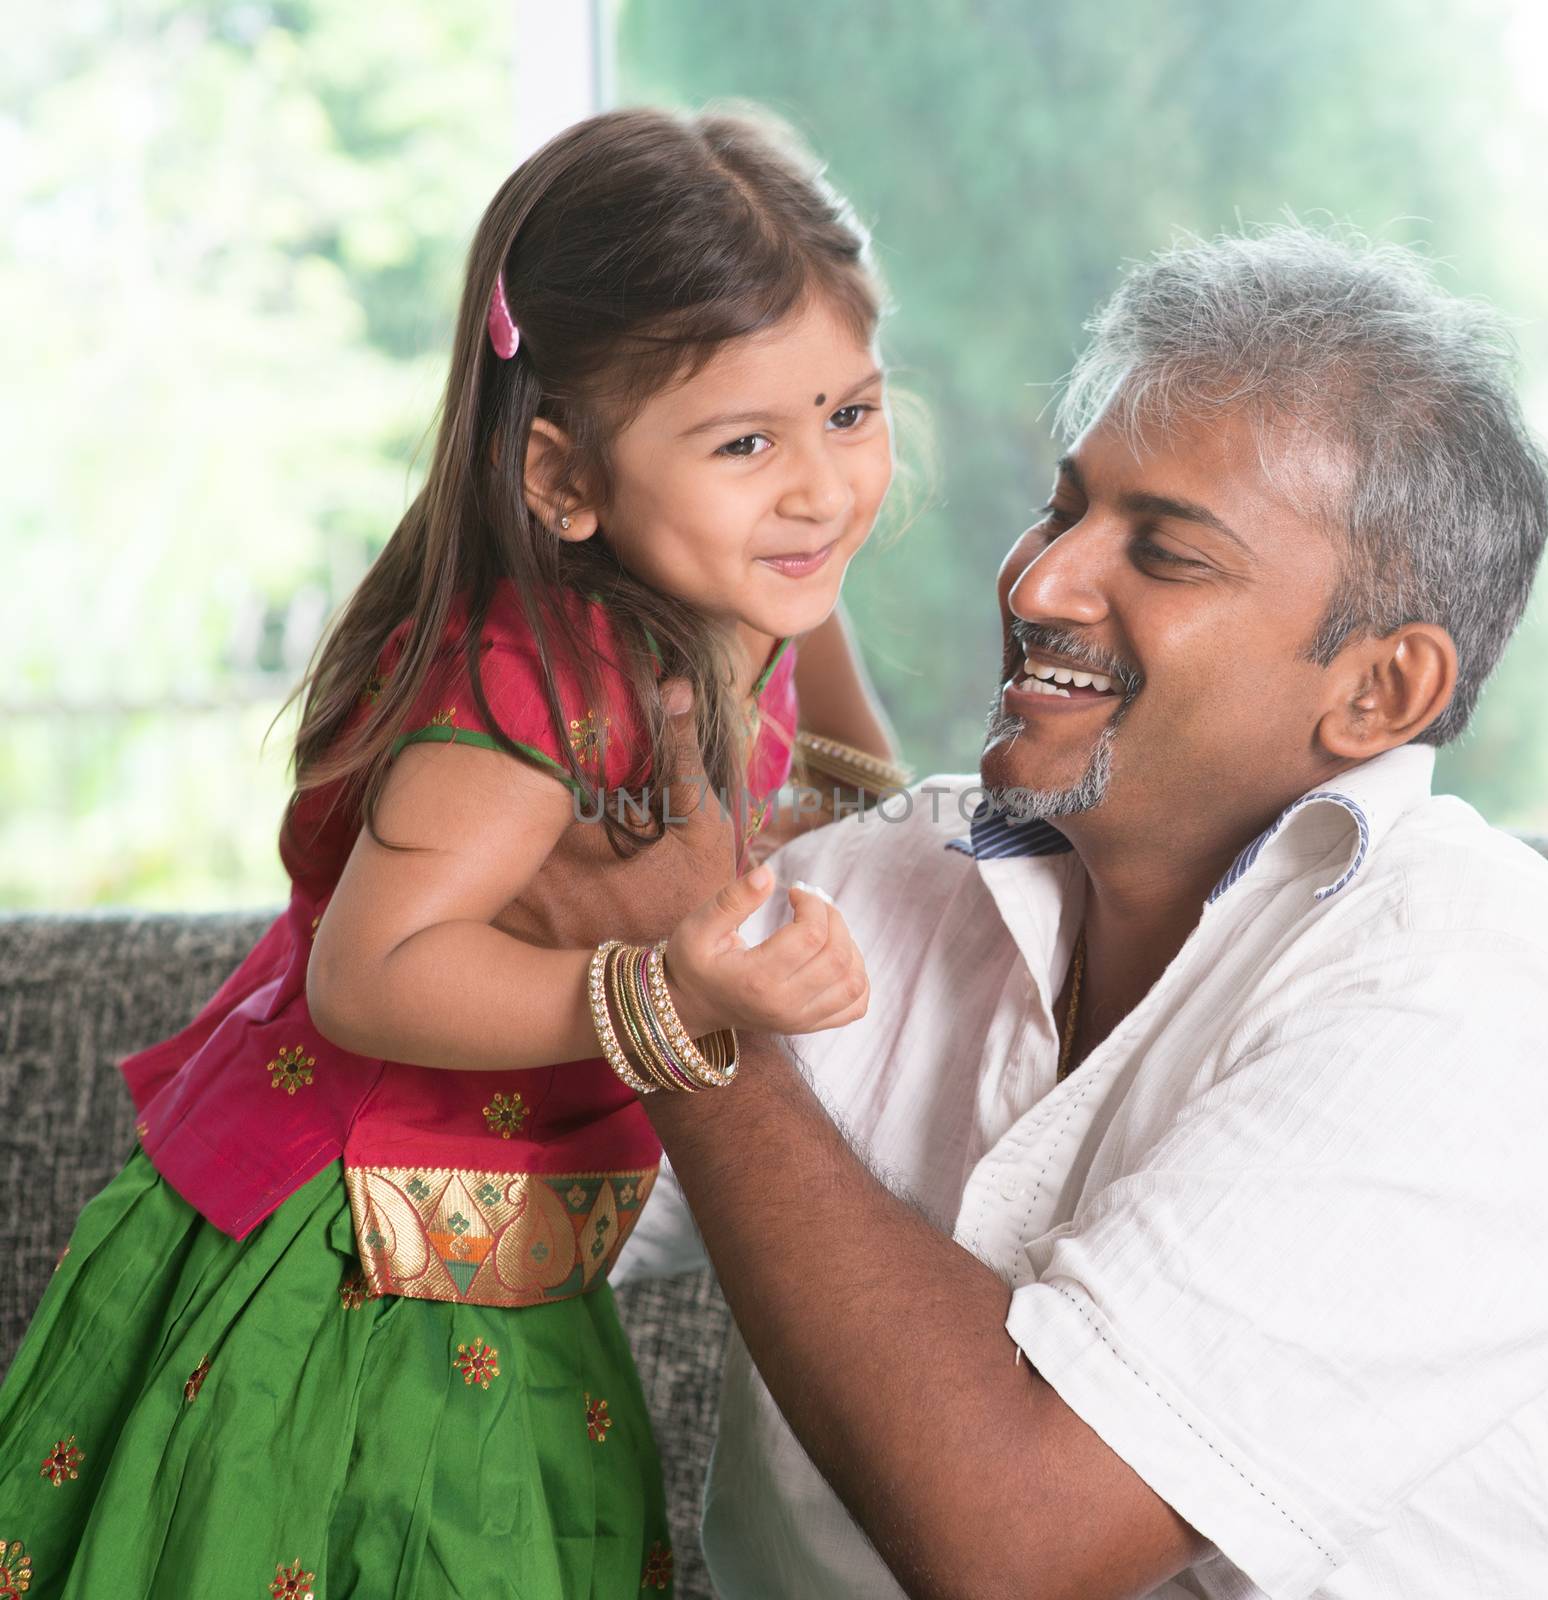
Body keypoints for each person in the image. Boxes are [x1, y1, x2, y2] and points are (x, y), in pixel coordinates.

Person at [614, 225, 1548, 1598]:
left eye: (1168, 554)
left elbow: (1021, 1540)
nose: (1037, 583)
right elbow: (493, 1189)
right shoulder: (887, 875)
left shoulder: (1497, 995)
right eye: (1063, 507)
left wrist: (694, 1034)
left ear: (1381, 693)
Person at [0, 105, 896, 1599]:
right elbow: (375, 969)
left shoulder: (753, 579)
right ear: (564, 475)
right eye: (749, 438)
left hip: (500, 1256)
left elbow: (851, 784)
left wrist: (837, 786)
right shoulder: (538, 674)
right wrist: (662, 993)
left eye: (852, 413)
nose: (821, 487)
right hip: (352, 1277)